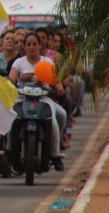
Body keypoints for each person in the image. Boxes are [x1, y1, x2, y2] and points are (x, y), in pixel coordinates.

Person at [8, 32, 66, 171]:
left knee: (55, 120)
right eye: (28, 44)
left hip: (43, 98)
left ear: (40, 46)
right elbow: (11, 79)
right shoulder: (19, 62)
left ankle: (55, 154)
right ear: (24, 47)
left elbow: (56, 80)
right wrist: (19, 78)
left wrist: (58, 87)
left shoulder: (47, 62)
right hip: (22, 98)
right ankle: (9, 149)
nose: (32, 47)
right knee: (10, 118)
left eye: (35, 44)